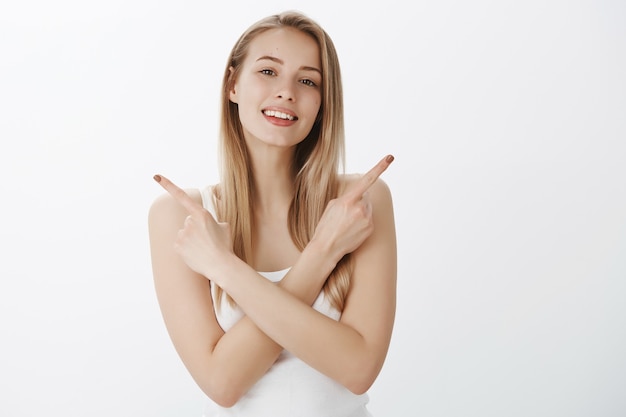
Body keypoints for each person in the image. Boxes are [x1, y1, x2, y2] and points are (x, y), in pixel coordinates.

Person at [148, 10, 397, 417]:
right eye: (267, 71)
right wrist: (321, 255)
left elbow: (358, 369)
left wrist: (224, 268)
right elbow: (223, 383)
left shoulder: (360, 203)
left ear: (323, 101)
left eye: (307, 80)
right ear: (233, 84)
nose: (286, 92)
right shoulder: (182, 218)